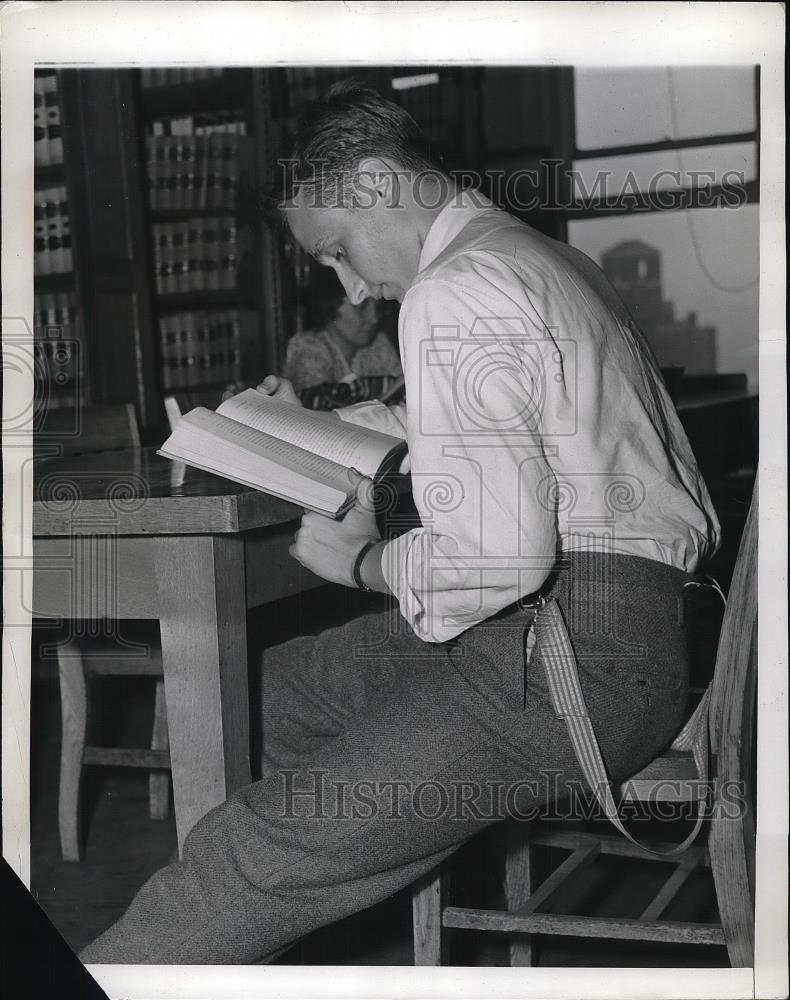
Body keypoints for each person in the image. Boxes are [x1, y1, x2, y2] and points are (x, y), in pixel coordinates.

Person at [81, 81, 719, 965]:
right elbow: (455, 428)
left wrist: (366, 564)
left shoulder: (453, 290)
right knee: (257, 696)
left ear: (377, 183)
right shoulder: (536, 259)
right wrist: (294, 419)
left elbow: (498, 555)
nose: (352, 286)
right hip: (615, 636)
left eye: (336, 250)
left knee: (254, 848)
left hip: (571, 664)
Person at [283, 265, 402, 397]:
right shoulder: (307, 347)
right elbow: (315, 407)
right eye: (362, 307)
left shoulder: (379, 345)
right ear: (330, 306)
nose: (374, 319)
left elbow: (405, 393)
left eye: (378, 308)